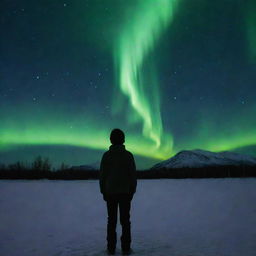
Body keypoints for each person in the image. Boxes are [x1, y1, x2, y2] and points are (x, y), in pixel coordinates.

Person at [99, 128, 137, 255]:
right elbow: (132, 175)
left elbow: (102, 176)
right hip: (125, 192)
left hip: (110, 193)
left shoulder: (106, 156)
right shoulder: (128, 156)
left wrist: (103, 191)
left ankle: (111, 248)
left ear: (111, 140)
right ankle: (126, 248)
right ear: (123, 140)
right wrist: (132, 190)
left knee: (112, 221)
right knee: (125, 220)